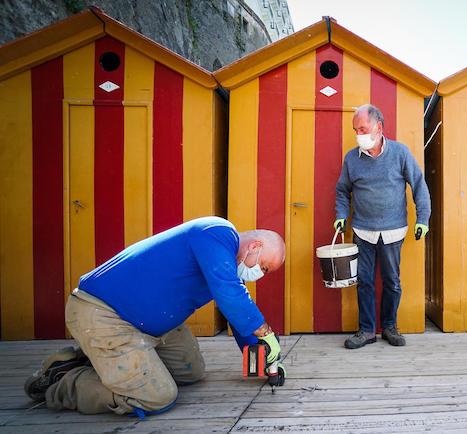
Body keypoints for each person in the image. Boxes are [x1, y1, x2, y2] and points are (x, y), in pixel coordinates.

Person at [24, 216, 285, 417]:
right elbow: (232, 297)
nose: (260, 274)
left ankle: (99, 360)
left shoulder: (224, 269)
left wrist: (261, 363)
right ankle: (63, 381)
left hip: (148, 326)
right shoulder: (217, 231)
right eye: (264, 267)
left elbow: (236, 311)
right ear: (255, 246)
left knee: (190, 372)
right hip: (104, 314)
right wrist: (266, 333)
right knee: (155, 397)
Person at [334, 104, 431, 349]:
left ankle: (389, 327)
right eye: (356, 130)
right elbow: (342, 191)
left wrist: (423, 218)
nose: (359, 135)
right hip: (362, 231)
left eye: (363, 129)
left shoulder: (400, 153)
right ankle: (366, 331)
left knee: (392, 282)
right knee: (364, 282)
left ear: (378, 127)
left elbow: (418, 185)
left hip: (393, 231)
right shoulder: (351, 159)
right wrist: (341, 214)